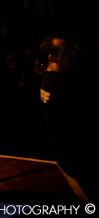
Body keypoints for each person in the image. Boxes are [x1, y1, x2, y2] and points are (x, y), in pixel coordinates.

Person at [38, 36, 94, 200]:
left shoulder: (47, 80)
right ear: (53, 58)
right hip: (79, 157)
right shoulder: (63, 85)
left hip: (66, 155)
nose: (72, 54)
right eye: (66, 51)